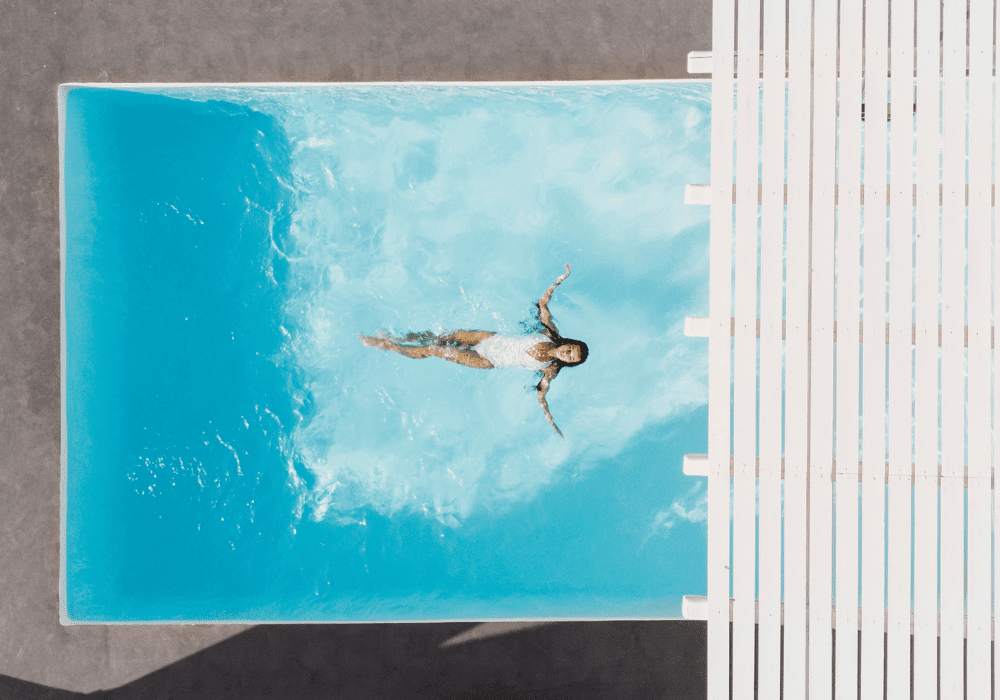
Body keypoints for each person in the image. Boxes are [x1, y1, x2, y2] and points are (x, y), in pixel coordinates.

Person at [359, 264, 588, 437]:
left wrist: (549, 419)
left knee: (435, 350)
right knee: (442, 337)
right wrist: (559, 280)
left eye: (571, 357)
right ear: (568, 343)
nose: (567, 353)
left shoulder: (550, 370)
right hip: (489, 338)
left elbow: (542, 395)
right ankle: (398, 337)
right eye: (570, 349)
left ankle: (386, 345)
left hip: (487, 359)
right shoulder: (550, 333)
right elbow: (543, 304)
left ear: (569, 363)